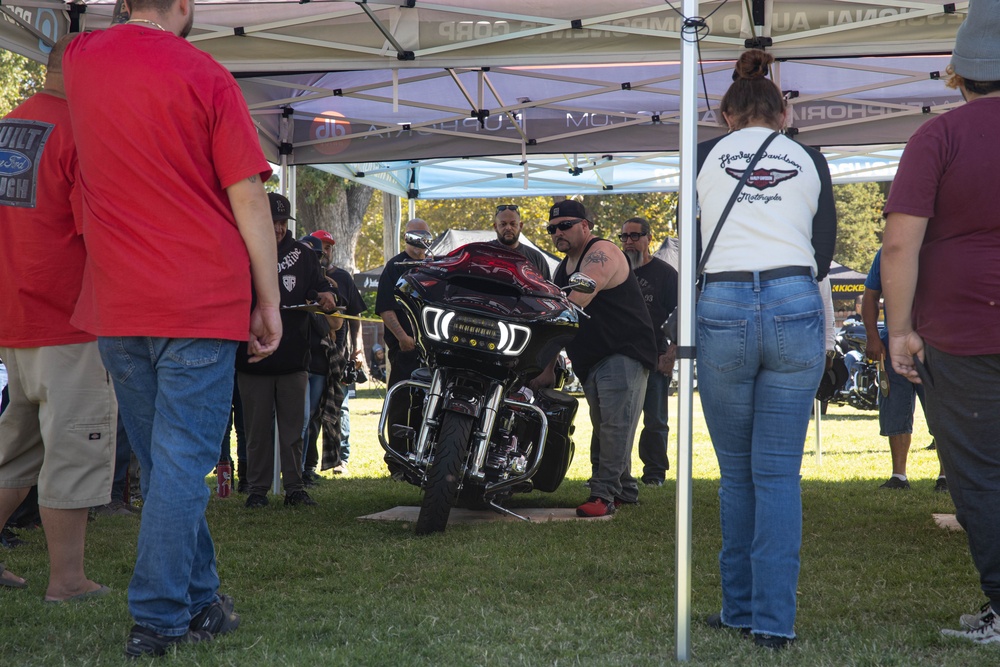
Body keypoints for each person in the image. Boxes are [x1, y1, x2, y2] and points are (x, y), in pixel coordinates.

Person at [62, 1, 283, 656]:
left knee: (167, 463)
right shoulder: (206, 74)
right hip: (198, 295)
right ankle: (159, 616)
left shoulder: (80, 61)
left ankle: (201, 597)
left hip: (118, 296)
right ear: (184, 5)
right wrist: (268, 299)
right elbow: (247, 193)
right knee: (183, 461)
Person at [695, 49, 836, 649]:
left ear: (726, 114)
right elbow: (823, 251)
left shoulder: (703, 156)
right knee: (778, 474)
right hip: (793, 300)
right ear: (782, 112)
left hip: (724, 301)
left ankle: (738, 608)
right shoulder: (809, 158)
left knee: (736, 475)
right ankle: (773, 623)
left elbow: (695, 233)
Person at [880, 0, 1000, 644]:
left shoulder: (939, 136)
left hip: (963, 334)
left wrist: (899, 330)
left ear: (961, 72)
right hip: (966, 331)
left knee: (980, 473)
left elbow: (898, 245)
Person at [0, 35, 118, 600]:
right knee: (72, 454)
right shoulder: (81, 134)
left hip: (12, 322)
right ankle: (67, 580)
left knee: (13, 457)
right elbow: (100, 234)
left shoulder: (5, 127)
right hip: (70, 323)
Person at [533, 200, 656, 517]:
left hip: (622, 351)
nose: (557, 232)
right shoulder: (563, 267)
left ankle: (603, 495)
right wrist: (544, 365)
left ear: (585, 226)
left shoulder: (602, 253)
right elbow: (556, 323)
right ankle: (625, 489)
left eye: (565, 225)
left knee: (614, 426)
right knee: (607, 426)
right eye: (552, 228)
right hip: (593, 358)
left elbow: (574, 305)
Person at [237, 195, 336, 510]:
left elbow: (321, 288)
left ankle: (295, 488)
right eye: (272, 221)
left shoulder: (304, 255)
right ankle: (257, 490)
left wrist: (326, 296)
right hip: (253, 358)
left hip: (294, 357)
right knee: (256, 431)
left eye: (282, 222)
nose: (278, 228)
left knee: (294, 429)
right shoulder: (243, 250)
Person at [861, 249, 945, 492]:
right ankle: (899, 476)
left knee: (941, 411)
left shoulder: (941, 248)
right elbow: (870, 296)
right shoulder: (886, 253)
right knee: (894, 410)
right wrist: (872, 338)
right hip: (892, 346)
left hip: (935, 346)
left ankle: (945, 477)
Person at [618, 217, 678, 487]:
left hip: (655, 357)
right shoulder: (616, 270)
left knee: (655, 421)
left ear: (648, 238)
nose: (629, 242)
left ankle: (654, 474)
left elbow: (682, 315)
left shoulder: (665, 274)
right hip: (619, 357)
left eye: (634, 236)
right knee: (614, 420)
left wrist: (671, 355)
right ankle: (610, 472)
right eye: (624, 237)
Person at [377, 219, 433, 477]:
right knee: (401, 400)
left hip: (432, 349)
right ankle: (398, 461)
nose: (418, 242)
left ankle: (426, 457)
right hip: (406, 350)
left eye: (422, 237)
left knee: (429, 403)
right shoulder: (394, 266)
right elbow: (386, 308)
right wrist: (402, 337)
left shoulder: (433, 266)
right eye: (414, 236)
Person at [311, 230, 367, 475]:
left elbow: (355, 316)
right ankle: (308, 463)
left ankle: (341, 459)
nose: (325, 251)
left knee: (340, 405)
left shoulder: (344, 277)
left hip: (340, 353)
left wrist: (358, 349)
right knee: (312, 409)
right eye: (321, 246)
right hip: (313, 350)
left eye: (329, 247)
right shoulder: (307, 276)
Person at [490, 204, 552, 280]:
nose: (508, 228)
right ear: (495, 227)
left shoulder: (536, 258)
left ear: (521, 226)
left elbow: (548, 289)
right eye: (503, 224)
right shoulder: (484, 252)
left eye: (513, 224)